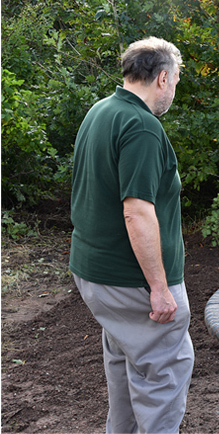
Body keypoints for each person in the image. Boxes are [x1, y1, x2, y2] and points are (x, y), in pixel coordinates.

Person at [70, 36, 192, 433]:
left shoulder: (100, 112)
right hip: (133, 284)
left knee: (124, 367)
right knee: (163, 377)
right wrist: (159, 287)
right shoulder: (142, 127)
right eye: (174, 80)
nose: (173, 89)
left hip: (96, 275)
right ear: (161, 78)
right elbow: (136, 212)